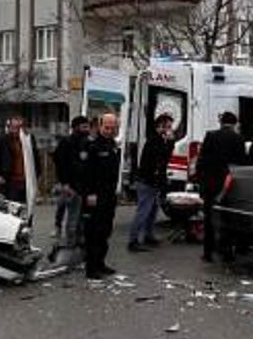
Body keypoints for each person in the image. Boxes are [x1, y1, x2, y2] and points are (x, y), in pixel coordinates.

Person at [196, 111, 246, 263]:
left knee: (209, 219)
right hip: (229, 184)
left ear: (221, 122)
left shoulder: (210, 136)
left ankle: (208, 252)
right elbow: (241, 164)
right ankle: (227, 252)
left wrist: (201, 180)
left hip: (210, 184)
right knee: (228, 218)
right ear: (235, 123)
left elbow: (202, 161)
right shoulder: (239, 139)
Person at [76, 112, 121, 279]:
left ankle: (100, 263)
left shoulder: (113, 145)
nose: (109, 130)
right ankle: (91, 268)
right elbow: (85, 174)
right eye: (106, 127)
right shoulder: (91, 145)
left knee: (105, 231)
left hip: (109, 196)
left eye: (112, 127)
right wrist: (89, 194)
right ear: (100, 126)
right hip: (94, 197)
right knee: (93, 233)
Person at [128, 114, 174, 252]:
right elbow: (161, 158)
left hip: (153, 181)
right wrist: (170, 142)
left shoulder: (159, 140)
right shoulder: (155, 140)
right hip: (147, 181)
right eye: (168, 127)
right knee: (144, 210)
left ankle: (148, 235)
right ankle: (134, 240)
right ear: (161, 126)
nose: (170, 130)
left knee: (153, 210)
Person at [52, 116, 90, 247]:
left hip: (83, 186)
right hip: (70, 186)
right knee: (72, 219)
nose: (87, 129)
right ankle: (70, 245)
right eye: (84, 127)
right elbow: (59, 162)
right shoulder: (66, 142)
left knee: (80, 218)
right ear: (75, 128)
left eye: (87, 126)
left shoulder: (86, 142)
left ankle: (79, 243)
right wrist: (65, 183)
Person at [0, 115, 40, 205]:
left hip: (26, 180)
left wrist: (36, 177)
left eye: (19, 127)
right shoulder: (2, 140)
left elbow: (35, 158)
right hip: (9, 180)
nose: (16, 130)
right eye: (13, 127)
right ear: (9, 128)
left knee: (27, 207)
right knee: (11, 206)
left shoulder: (29, 139)